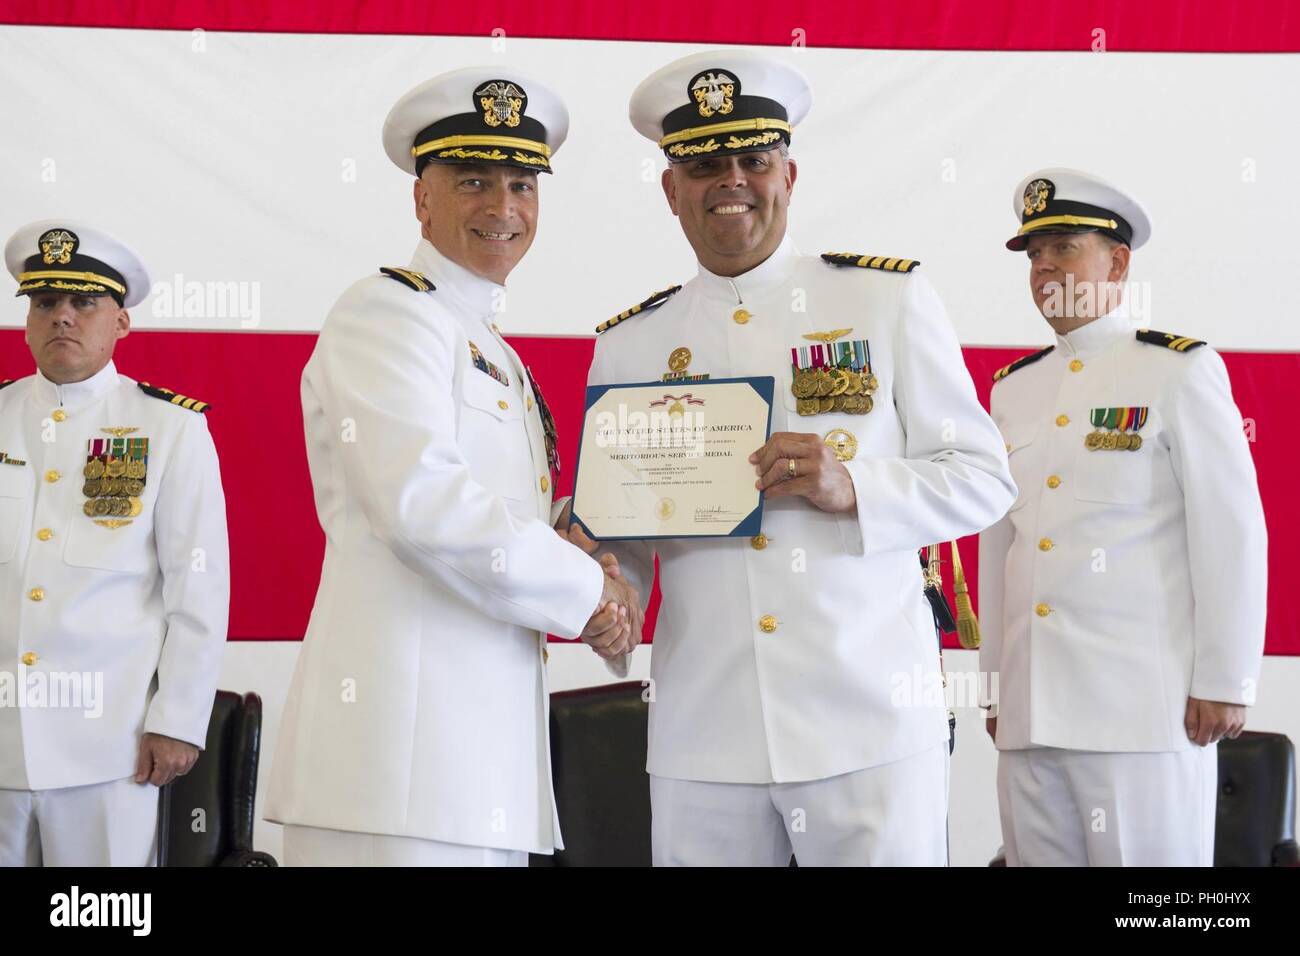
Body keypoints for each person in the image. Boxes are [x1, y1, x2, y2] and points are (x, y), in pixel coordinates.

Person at [577, 50, 1015, 865]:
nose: (731, 180)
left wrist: (856, 485)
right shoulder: (629, 346)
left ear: (790, 173)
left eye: (754, 158)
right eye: (704, 164)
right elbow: (626, 536)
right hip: (705, 732)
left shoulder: (884, 299)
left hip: (869, 721)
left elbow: (985, 478)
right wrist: (609, 595)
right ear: (671, 189)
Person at [265, 68, 640, 867]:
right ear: (421, 198)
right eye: (473, 180)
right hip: (392, 778)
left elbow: (496, 518)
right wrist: (588, 592)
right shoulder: (387, 313)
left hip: (473, 776)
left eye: (520, 184)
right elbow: (421, 504)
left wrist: (580, 550)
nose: (502, 208)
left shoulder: (487, 345)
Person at [978, 168, 1267, 865]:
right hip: (1029, 713)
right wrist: (995, 685)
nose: (1044, 267)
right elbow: (1000, 549)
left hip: (1139, 712)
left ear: (1117, 261)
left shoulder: (1178, 371)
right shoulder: (1014, 388)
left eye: (1063, 248)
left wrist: (1225, 682)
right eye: (1034, 254)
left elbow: (1231, 532)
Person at [0, 220, 228, 866]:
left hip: (111, 749)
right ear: (26, 320)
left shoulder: (169, 428)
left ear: (121, 322)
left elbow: (199, 586)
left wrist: (178, 718)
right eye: (46, 303)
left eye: (83, 302)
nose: (62, 318)